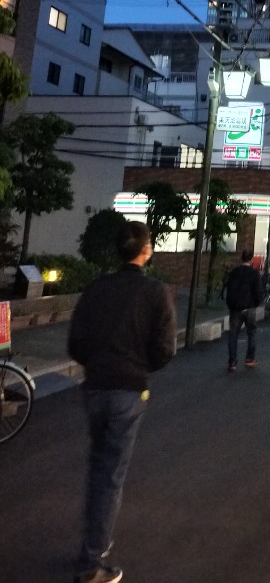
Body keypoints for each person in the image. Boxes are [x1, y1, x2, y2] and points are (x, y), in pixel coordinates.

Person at [68, 220, 176, 583]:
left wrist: (97, 363)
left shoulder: (96, 289)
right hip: (128, 390)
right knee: (110, 476)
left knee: (99, 468)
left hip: (94, 388)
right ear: (146, 251)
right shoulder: (155, 291)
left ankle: (94, 544)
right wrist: (140, 366)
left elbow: (75, 344)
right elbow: (164, 350)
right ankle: (91, 563)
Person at [225, 248, 265, 371]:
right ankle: (250, 359)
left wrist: (231, 304)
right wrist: (257, 303)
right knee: (251, 333)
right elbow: (258, 291)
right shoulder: (254, 274)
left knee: (233, 335)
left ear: (241, 258)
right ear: (252, 259)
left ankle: (232, 362)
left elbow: (229, 289)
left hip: (236, 308)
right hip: (250, 307)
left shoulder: (234, 272)